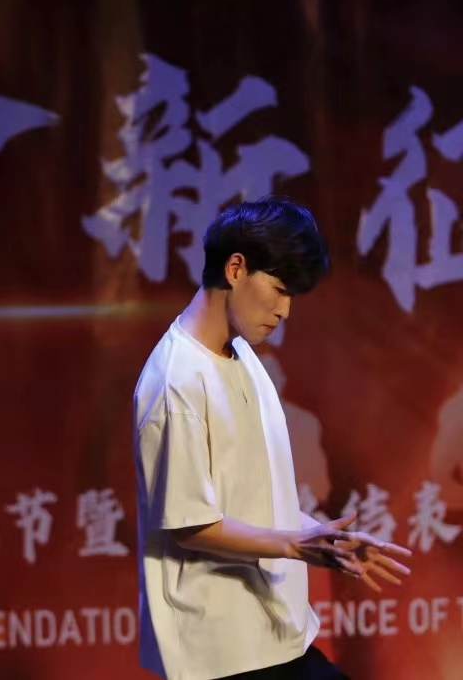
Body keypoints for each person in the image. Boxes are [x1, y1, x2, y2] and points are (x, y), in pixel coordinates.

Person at [133, 197, 411, 680]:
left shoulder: (241, 353)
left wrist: (325, 541)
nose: (284, 311)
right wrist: (294, 546)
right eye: (279, 290)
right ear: (235, 268)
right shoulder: (176, 380)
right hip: (219, 652)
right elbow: (189, 525)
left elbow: (252, 499)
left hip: (271, 634)